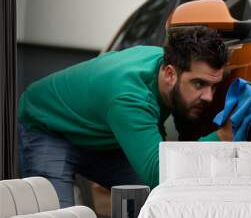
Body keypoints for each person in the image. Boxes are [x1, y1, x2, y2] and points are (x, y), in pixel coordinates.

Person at [18, 26, 232, 208]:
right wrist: (223, 137)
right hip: (50, 128)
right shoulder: (129, 96)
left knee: (158, 201)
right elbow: (158, 174)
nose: (208, 97)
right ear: (169, 73)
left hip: (103, 133)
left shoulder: (166, 64)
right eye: (199, 84)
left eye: (214, 86)